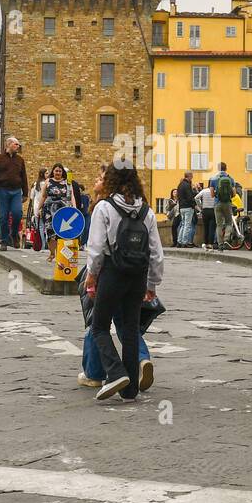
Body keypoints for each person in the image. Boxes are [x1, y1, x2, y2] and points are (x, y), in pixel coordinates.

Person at [85, 163, 164, 403]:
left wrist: (91, 274)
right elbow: (156, 253)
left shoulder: (104, 207)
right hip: (138, 275)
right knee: (130, 329)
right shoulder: (147, 211)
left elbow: (96, 247)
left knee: (99, 326)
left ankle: (116, 372)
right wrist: (152, 284)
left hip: (112, 271)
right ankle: (130, 390)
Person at [0, 136, 27, 250]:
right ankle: (4, 240)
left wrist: (25, 193)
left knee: (17, 213)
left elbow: (24, 176)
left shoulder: (20, 160)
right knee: (3, 216)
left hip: (16, 191)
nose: (18, 146)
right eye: (15, 144)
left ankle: (14, 234)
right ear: (8, 145)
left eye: (18, 144)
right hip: (2, 190)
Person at [41, 164, 75, 261]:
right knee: (50, 232)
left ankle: (61, 254)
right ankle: (52, 253)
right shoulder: (48, 181)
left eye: (60, 171)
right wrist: (38, 208)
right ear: (53, 171)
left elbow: (72, 196)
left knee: (62, 233)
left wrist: (74, 208)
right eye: (56, 171)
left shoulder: (67, 183)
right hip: (49, 209)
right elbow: (43, 196)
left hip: (63, 210)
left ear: (62, 172)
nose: (58, 173)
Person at [211, 163, 240, 248]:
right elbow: (234, 194)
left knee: (219, 225)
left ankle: (220, 244)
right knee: (229, 223)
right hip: (227, 203)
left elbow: (212, 195)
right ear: (226, 168)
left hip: (217, 203)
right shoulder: (230, 178)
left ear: (218, 168)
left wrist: (217, 194)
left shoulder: (213, 179)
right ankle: (226, 239)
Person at [176, 171, 197, 247]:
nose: (192, 177)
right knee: (187, 225)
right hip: (188, 207)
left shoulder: (180, 184)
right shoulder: (187, 185)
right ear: (189, 176)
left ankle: (179, 241)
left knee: (183, 224)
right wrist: (194, 205)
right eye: (192, 176)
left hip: (181, 207)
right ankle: (184, 242)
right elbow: (189, 197)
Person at [196, 181, 216, 250]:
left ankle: (205, 242)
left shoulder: (204, 191)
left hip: (205, 210)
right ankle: (210, 243)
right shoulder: (215, 191)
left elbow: (196, 198)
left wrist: (200, 206)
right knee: (212, 228)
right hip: (213, 210)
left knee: (206, 227)